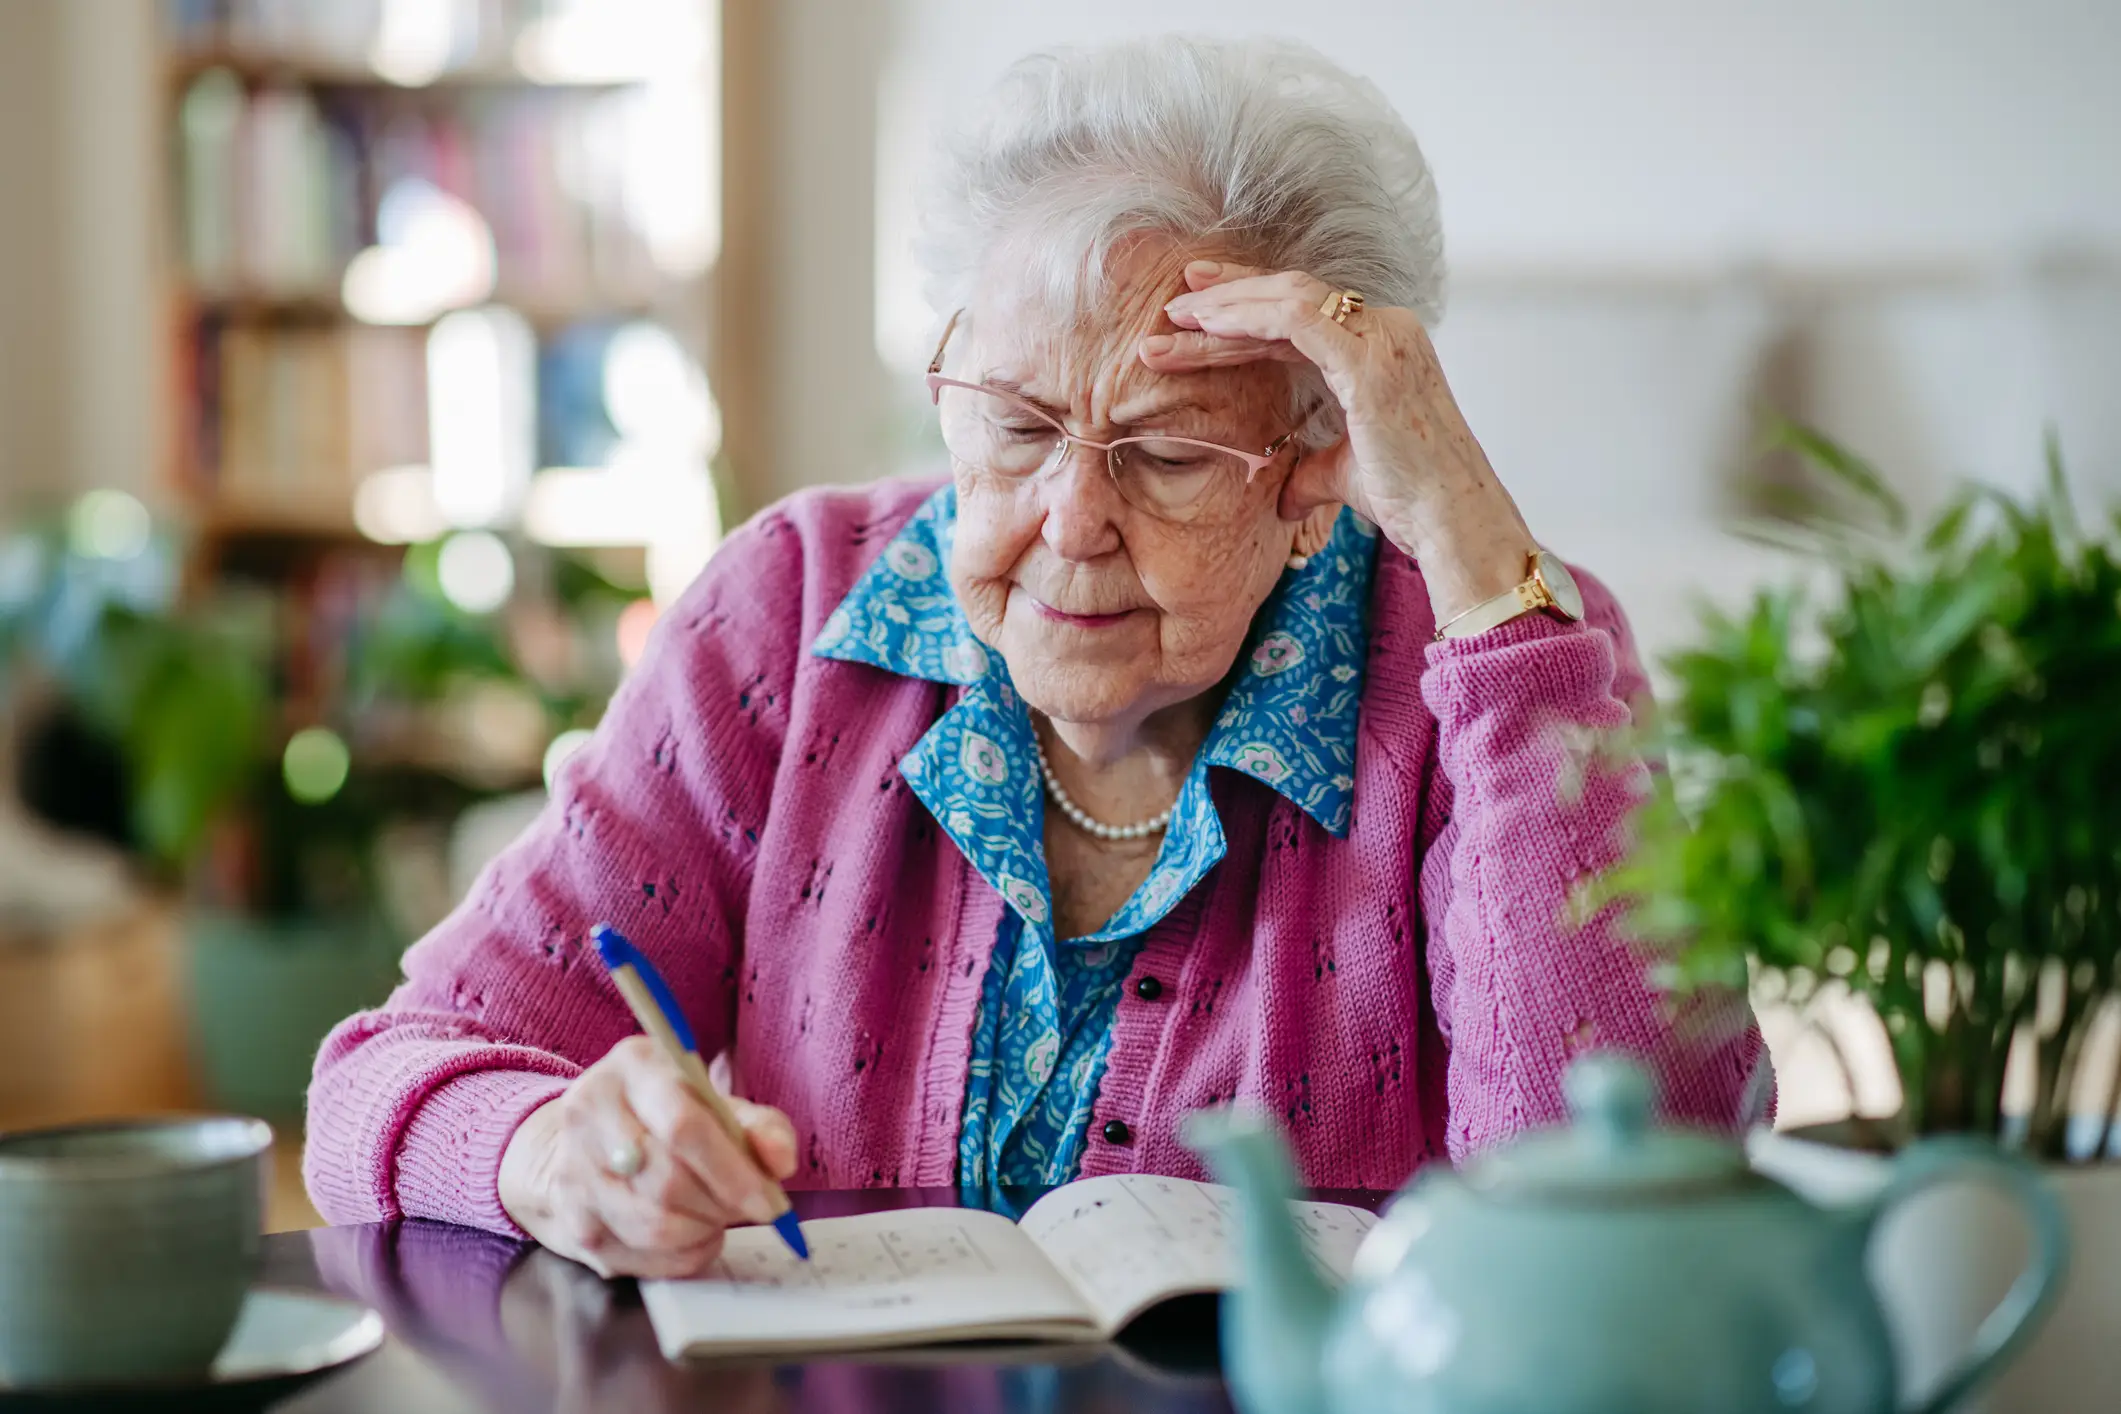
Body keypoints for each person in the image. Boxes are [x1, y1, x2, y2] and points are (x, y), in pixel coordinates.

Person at [305, 34, 1768, 1277]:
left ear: (1317, 469)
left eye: (1168, 454)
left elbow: (1638, 1206)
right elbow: (381, 1079)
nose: (1071, 520)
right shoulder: (791, 612)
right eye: (1012, 427)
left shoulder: (1498, 662)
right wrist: (549, 1151)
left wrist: (1474, 554)